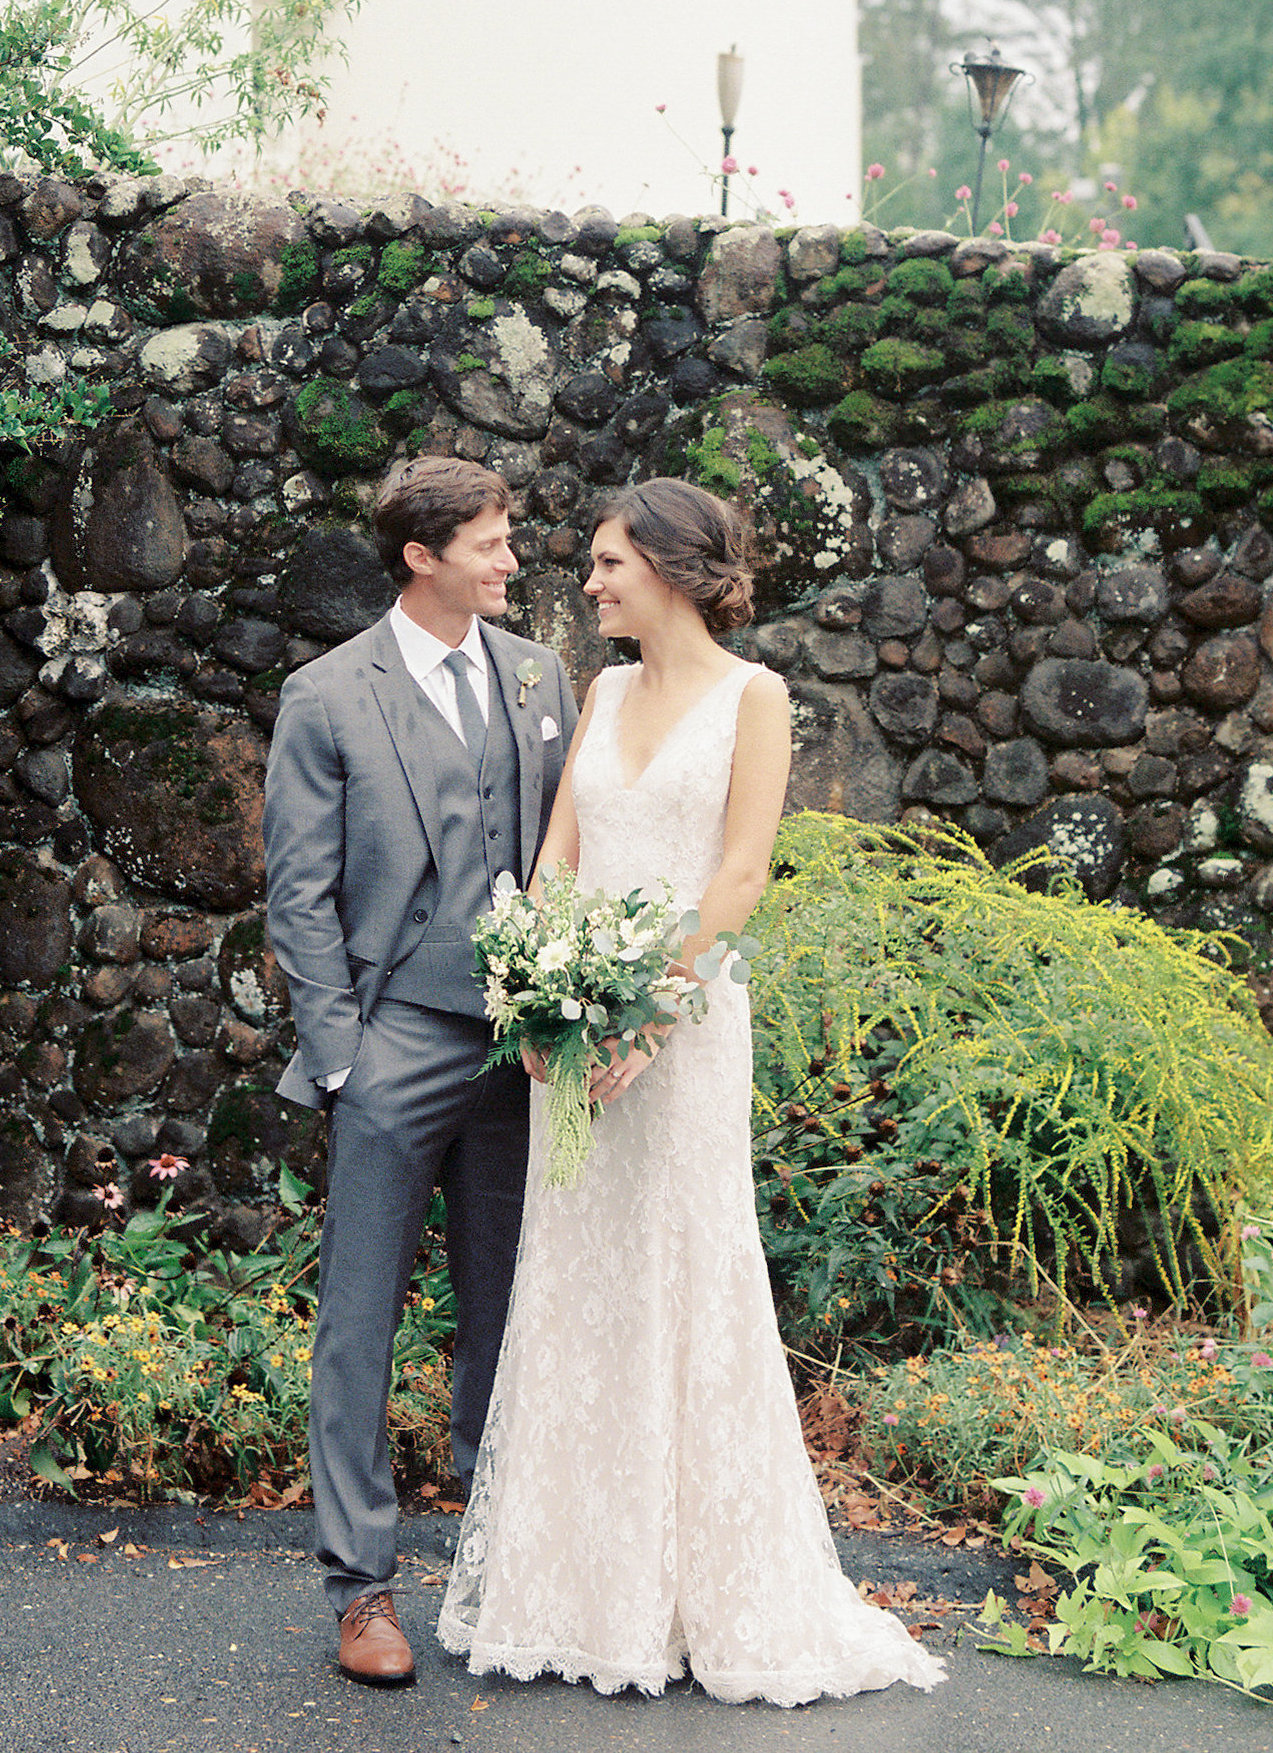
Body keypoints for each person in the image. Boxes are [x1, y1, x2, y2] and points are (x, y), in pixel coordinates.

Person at [437, 478, 947, 1704]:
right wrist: (551, 1001)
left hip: (684, 1031)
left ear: (670, 566)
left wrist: (647, 1012)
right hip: (580, 1042)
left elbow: (740, 872)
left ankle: (702, 1594)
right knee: (581, 1280)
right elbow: (561, 852)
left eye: (610, 562)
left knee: (683, 1273)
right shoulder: (604, 690)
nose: (592, 582)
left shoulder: (755, 697)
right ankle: (581, 1591)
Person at [262, 454, 579, 1689]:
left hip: (520, 1049)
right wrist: (341, 1056)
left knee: (508, 1313)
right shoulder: (330, 693)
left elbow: (570, 837)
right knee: (359, 1319)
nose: (512, 560)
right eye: (493, 543)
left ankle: (494, 1564)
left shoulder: (542, 676)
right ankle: (363, 1589)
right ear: (423, 557)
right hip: (393, 1034)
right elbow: (298, 891)